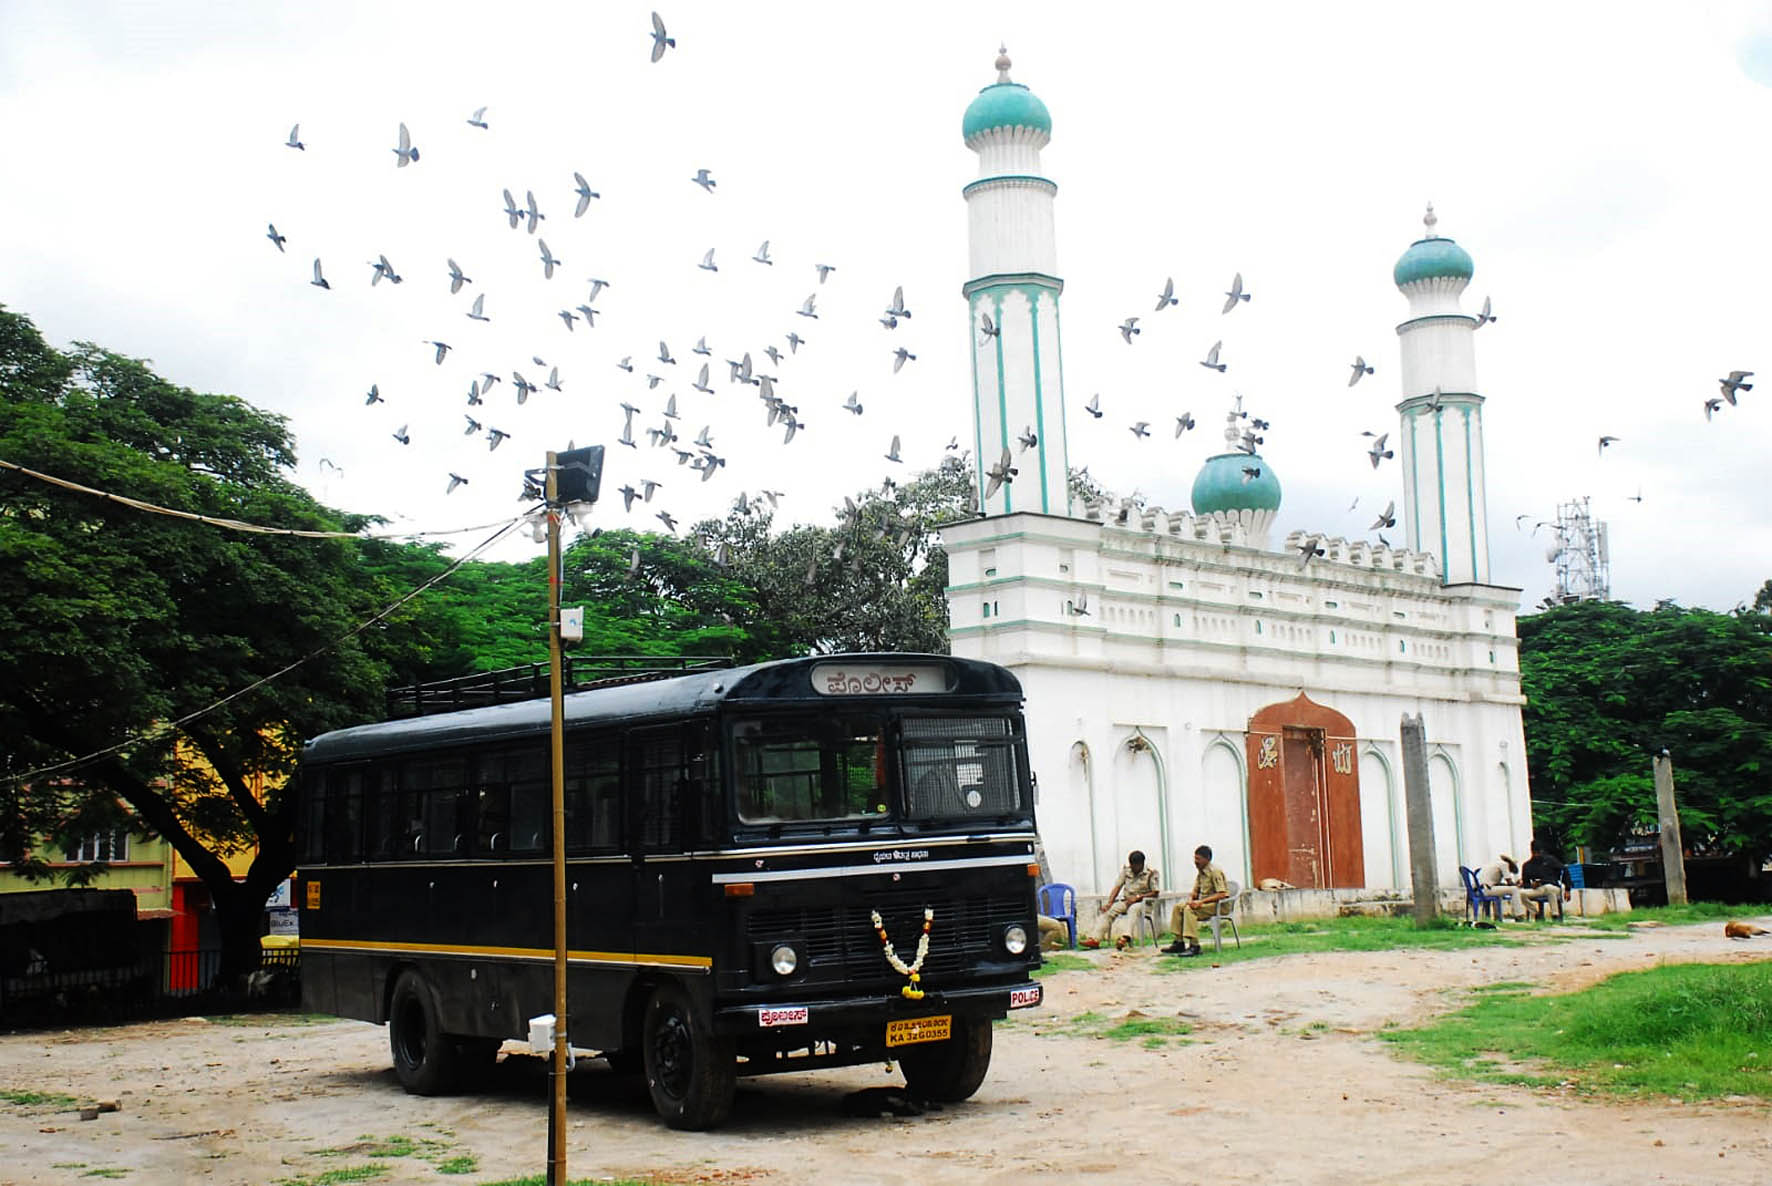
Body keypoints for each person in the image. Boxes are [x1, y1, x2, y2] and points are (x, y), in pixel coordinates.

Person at [1081, 850, 1159, 948]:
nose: (1133, 868)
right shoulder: (1126, 871)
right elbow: (1117, 887)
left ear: (1142, 863)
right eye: (1131, 865)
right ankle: (1095, 939)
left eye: (1135, 865)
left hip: (1144, 904)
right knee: (1110, 910)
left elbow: (1155, 893)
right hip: (1127, 902)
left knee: (1133, 909)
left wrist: (1139, 897)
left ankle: (1124, 938)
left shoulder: (1151, 873)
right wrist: (1110, 903)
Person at [1162, 845, 1229, 956]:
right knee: (1179, 907)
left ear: (1207, 859)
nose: (1195, 862)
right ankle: (1179, 942)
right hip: (1204, 904)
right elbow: (1194, 892)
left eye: (1198, 859)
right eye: (1195, 858)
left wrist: (1201, 902)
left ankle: (1195, 946)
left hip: (1218, 906)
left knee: (1189, 910)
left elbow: (1222, 894)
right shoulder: (1201, 873)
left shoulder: (1215, 872)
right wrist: (1191, 900)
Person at [1518, 838, 1572, 920]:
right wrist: (1532, 885)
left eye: (1538, 852)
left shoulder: (1550, 860)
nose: (1537, 854)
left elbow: (1564, 870)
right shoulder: (1527, 865)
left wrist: (1567, 889)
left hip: (1552, 887)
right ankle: (1535, 913)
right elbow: (1525, 883)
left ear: (1542, 851)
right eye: (1535, 852)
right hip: (1538, 889)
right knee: (1521, 893)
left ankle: (1555, 915)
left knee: (1549, 888)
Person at [1476, 853, 1529, 922]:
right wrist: (1517, 885)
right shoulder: (1504, 865)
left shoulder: (1494, 864)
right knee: (1515, 890)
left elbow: (1498, 884)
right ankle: (1519, 915)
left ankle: (1498, 916)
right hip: (1485, 889)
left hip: (1479, 889)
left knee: (1501, 892)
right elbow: (1509, 882)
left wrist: (1511, 885)